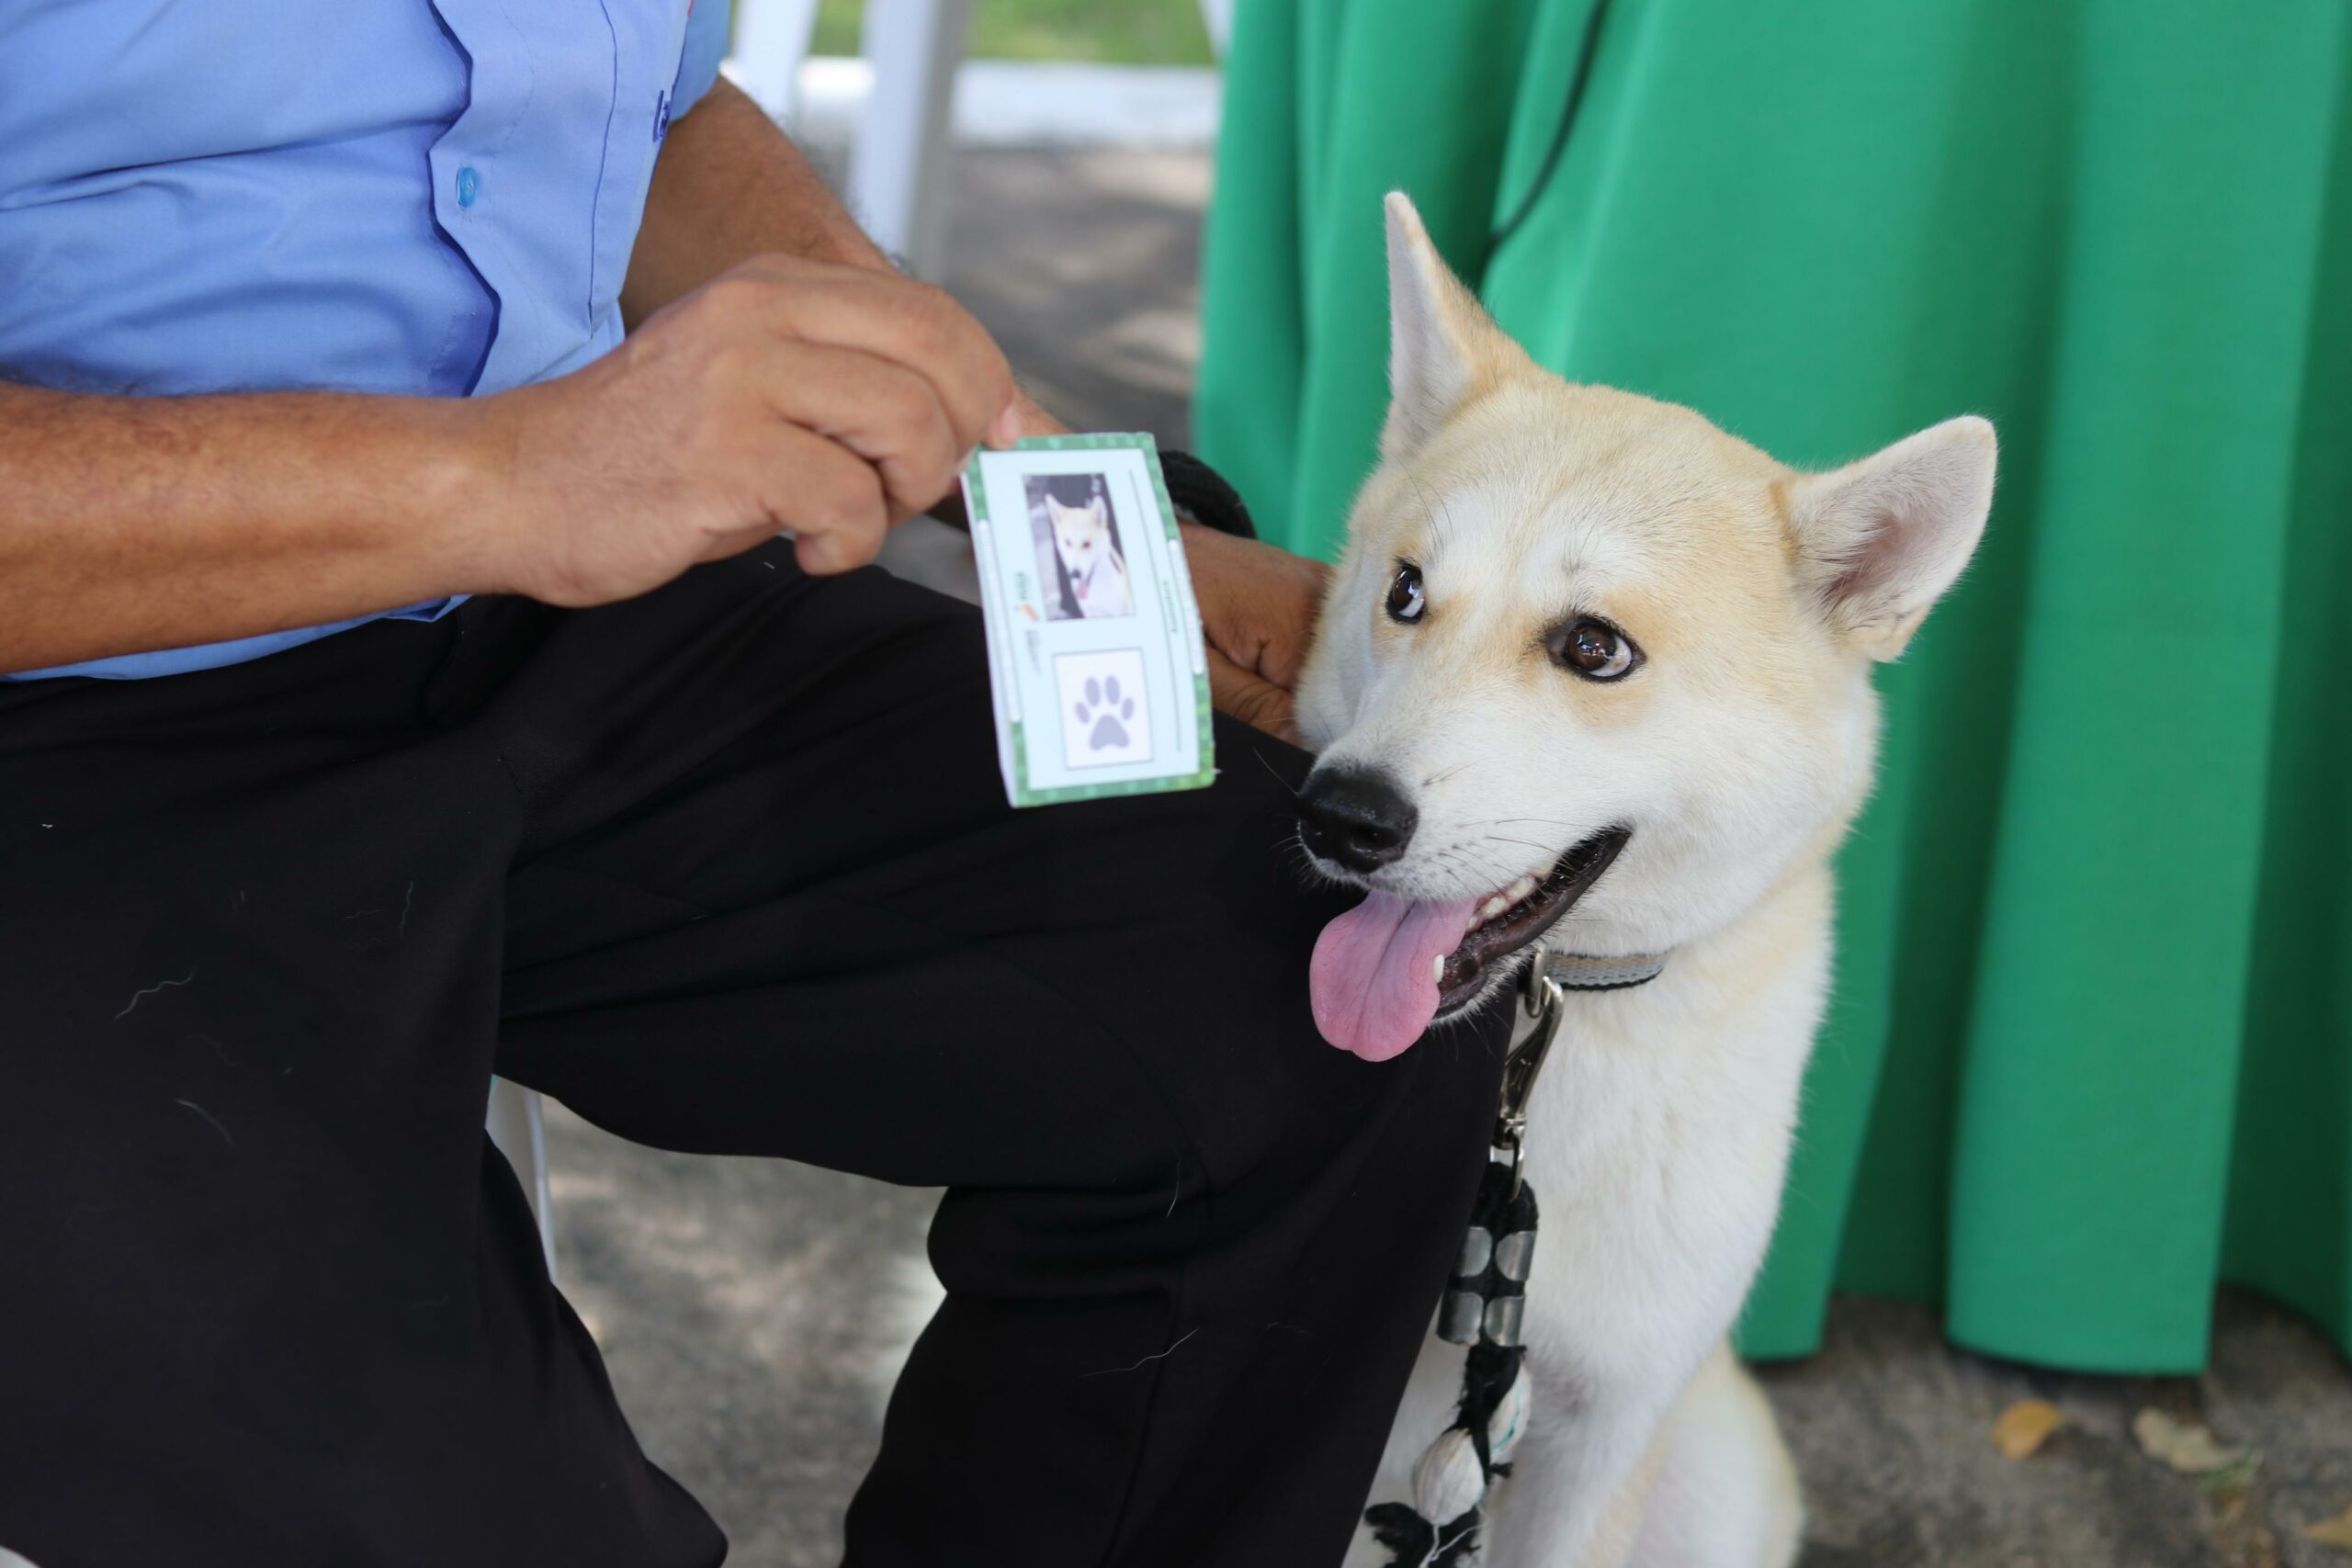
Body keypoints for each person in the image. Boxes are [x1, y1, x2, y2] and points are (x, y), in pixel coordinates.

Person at [0, 6, 1510, 1566]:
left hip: (570, 594)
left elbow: (626, 118)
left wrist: (1090, 539)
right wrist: (512, 478)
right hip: (69, 704)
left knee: (1312, 1011)